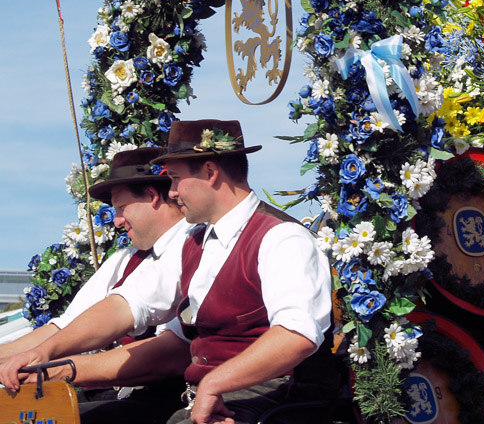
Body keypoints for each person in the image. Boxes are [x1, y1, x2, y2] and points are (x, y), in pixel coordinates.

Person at [1, 120, 337, 424]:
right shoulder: (195, 241)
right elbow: (128, 306)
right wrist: (50, 356)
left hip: (276, 398)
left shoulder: (282, 237)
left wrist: (215, 383)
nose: (172, 192)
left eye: (175, 179)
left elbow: (297, 336)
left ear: (210, 171)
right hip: (210, 397)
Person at [0, 146, 192, 423]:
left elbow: (129, 312)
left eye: (121, 208)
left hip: (174, 393)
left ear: (151, 197)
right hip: (124, 391)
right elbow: (66, 326)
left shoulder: (191, 244)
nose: (116, 221)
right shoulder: (125, 258)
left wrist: (48, 361)